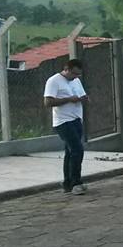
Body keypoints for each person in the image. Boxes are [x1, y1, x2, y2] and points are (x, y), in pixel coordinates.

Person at [44, 59, 89, 195]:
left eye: (78, 75)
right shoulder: (54, 81)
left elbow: (81, 95)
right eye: (74, 73)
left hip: (76, 119)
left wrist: (85, 99)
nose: (75, 77)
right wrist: (69, 99)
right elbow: (48, 102)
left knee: (70, 152)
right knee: (77, 150)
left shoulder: (76, 81)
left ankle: (67, 183)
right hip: (63, 121)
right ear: (66, 69)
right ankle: (76, 182)